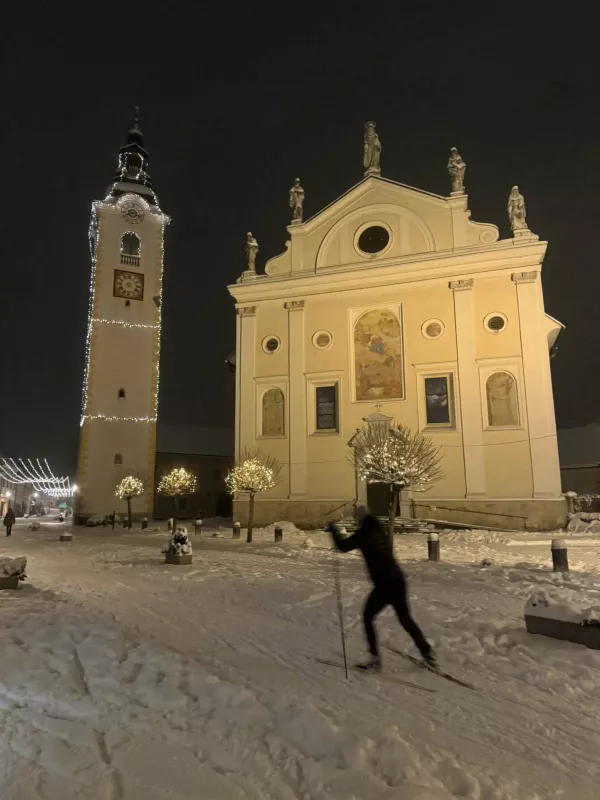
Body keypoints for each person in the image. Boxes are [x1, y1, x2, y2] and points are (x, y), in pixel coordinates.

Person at [327, 506, 436, 672]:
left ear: (361, 520)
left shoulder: (365, 533)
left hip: (385, 584)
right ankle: (427, 653)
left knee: (368, 617)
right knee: (405, 619)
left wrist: (333, 530)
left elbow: (343, 546)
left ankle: (375, 660)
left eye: (357, 518)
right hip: (397, 580)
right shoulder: (378, 529)